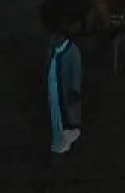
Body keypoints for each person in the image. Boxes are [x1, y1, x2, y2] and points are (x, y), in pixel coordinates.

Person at [46, 25, 83, 154]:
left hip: (64, 91)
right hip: (54, 90)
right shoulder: (52, 51)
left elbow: (76, 73)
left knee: (67, 117)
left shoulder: (72, 51)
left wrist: (74, 89)